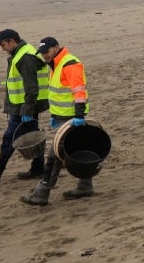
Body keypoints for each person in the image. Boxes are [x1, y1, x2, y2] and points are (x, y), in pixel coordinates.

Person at [21, 36, 93, 206]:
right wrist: (54, 115)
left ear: (56, 48)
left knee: (55, 156)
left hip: (72, 119)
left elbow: (79, 93)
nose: (44, 55)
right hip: (63, 118)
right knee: (78, 150)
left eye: (46, 51)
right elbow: (58, 93)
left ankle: (42, 192)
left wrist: (79, 116)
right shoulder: (56, 64)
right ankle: (85, 185)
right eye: (42, 52)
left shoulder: (69, 64)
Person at [0, 29, 49, 183]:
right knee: (33, 136)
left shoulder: (25, 56)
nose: (2, 48)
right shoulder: (21, 53)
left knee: (10, 138)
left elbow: (31, 86)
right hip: (23, 105)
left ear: (12, 41)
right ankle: (38, 168)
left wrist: (27, 110)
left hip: (24, 107)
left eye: (3, 45)